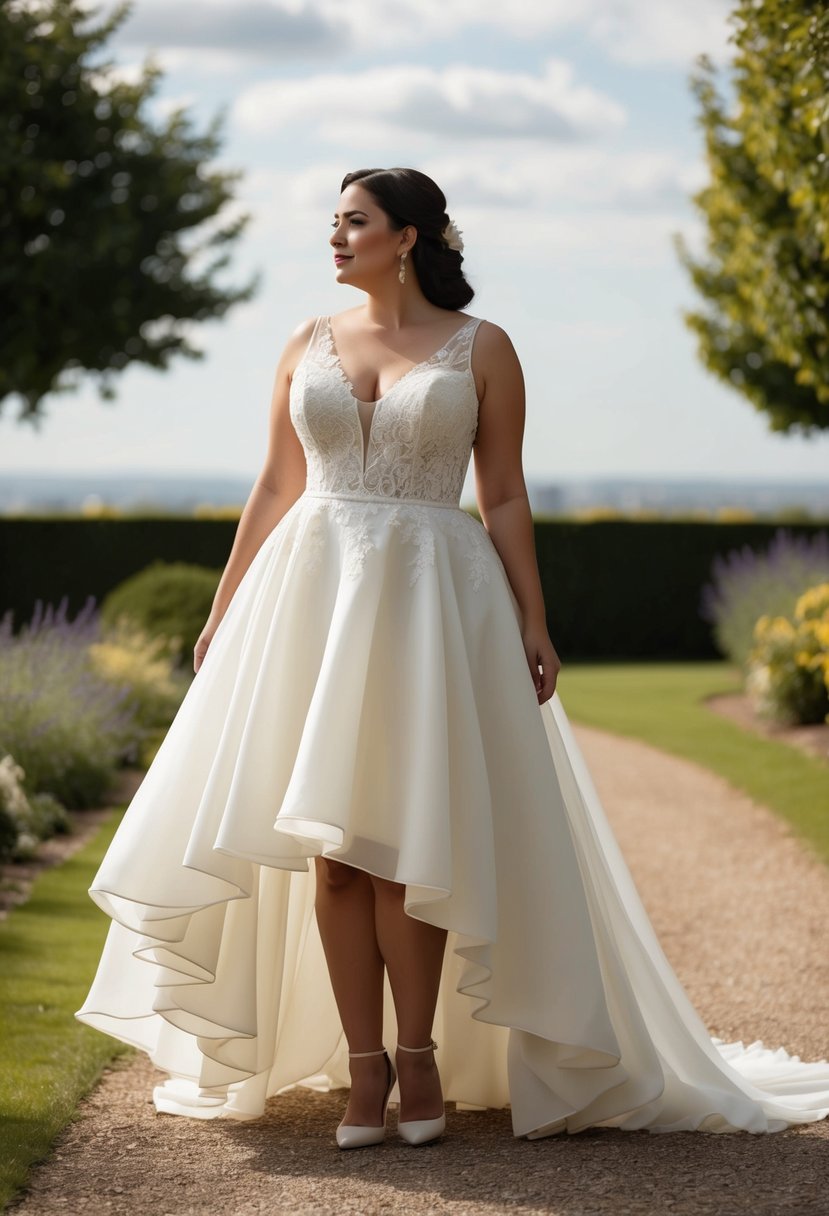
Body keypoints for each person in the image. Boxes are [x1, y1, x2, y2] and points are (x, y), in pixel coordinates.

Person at [77, 167, 829, 1148]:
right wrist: (223, 611)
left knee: (405, 850)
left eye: (354, 222)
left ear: (408, 237)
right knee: (336, 857)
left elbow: (505, 493)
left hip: (432, 600)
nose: (335, 239)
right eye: (334, 223)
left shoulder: (485, 348)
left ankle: (421, 1055)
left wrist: (534, 619)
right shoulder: (303, 342)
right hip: (310, 599)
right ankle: (363, 1067)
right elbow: (273, 484)